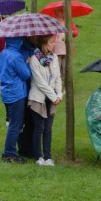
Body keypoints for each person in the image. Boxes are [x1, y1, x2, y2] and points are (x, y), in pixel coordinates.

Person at [28, 35, 63, 166]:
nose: (54, 44)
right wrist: (54, 97)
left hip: (52, 99)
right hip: (38, 98)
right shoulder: (34, 60)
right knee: (39, 128)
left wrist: (59, 94)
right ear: (44, 44)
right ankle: (38, 157)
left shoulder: (53, 57)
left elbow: (58, 77)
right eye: (51, 42)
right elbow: (40, 82)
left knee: (48, 129)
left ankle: (48, 157)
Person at [0, 37, 32, 164]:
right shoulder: (16, 56)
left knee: (13, 123)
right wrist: (27, 63)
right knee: (16, 125)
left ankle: (10, 151)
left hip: (7, 92)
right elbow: (26, 74)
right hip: (16, 94)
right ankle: (9, 153)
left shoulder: (4, 52)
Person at [52, 7, 79, 81]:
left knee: (65, 67)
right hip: (56, 49)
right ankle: (58, 84)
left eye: (63, 11)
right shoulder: (53, 22)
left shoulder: (68, 22)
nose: (61, 12)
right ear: (55, 12)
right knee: (57, 67)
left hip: (66, 48)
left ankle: (66, 83)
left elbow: (76, 32)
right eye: (59, 11)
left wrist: (71, 32)